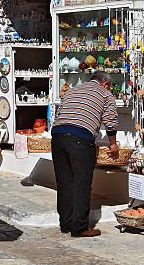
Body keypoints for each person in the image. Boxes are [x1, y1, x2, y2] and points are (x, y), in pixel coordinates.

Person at [50, 71, 119, 237]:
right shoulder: (105, 93)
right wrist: (113, 144)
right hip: (80, 139)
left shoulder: (72, 90)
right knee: (81, 183)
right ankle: (80, 227)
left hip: (58, 136)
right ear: (106, 84)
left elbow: (60, 114)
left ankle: (65, 224)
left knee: (64, 182)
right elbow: (110, 120)